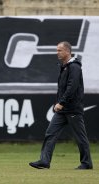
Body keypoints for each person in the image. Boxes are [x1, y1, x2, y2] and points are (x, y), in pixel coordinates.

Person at [29, 41, 93, 170]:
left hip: (72, 108)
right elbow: (63, 88)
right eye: (57, 50)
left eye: (59, 50)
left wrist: (61, 103)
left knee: (80, 137)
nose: (57, 52)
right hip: (63, 110)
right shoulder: (65, 66)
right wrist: (59, 103)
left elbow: (72, 87)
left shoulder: (74, 67)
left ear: (68, 52)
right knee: (50, 133)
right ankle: (44, 161)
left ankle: (86, 163)